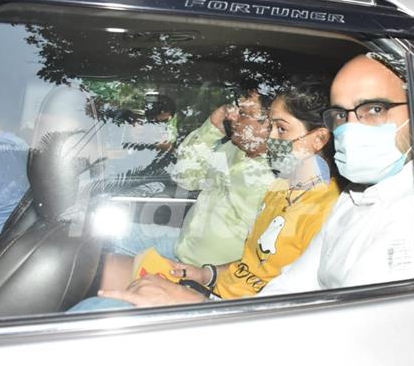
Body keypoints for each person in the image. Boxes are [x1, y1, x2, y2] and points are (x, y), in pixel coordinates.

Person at [83, 54, 414, 307]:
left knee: (98, 310)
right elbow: (287, 285)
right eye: (341, 115)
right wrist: (205, 278)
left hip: (256, 329)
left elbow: (344, 343)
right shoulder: (353, 203)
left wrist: (193, 306)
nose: (350, 129)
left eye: (373, 109)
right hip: (236, 304)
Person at [70, 81, 340, 310]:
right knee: (89, 252)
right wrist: (212, 126)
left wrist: (195, 291)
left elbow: (279, 296)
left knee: (94, 308)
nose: (233, 117)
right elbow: (185, 176)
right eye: (233, 110)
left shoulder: (307, 196)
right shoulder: (275, 182)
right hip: (201, 265)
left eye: (278, 127)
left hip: (222, 296)